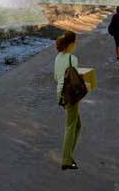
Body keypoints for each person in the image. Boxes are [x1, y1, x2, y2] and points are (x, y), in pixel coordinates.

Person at [53, 31, 81, 170]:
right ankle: (66, 160)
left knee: (76, 125)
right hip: (70, 95)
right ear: (71, 44)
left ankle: (68, 156)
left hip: (60, 94)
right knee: (71, 126)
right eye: (75, 42)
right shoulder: (72, 59)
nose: (76, 45)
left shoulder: (58, 57)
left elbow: (56, 77)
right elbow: (75, 81)